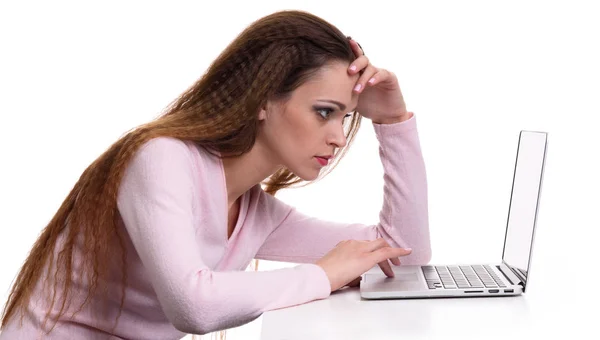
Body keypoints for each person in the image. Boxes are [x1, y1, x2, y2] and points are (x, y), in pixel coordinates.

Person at [0, 9, 431, 340]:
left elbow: (403, 254)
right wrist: (323, 274)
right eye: (324, 113)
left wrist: (392, 120)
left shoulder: (257, 213)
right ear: (262, 99)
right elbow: (193, 306)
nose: (338, 138)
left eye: (346, 118)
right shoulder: (161, 158)